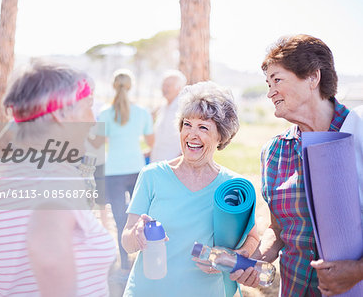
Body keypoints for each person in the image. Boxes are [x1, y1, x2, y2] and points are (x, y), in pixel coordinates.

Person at [233, 34, 363, 296]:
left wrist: (357, 271)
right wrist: (252, 259)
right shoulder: (274, 151)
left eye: (277, 80)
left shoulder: (357, 131)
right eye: (268, 83)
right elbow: (278, 229)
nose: (270, 93)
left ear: (313, 77)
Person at [0, 62, 116, 296]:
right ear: (60, 114)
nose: (94, 120)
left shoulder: (6, 172)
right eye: (88, 106)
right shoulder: (55, 177)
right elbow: (49, 257)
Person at [121, 81, 259, 296]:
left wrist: (231, 257)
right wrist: (136, 235)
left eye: (203, 127)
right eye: (187, 124)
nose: (191, 134)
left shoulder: (232, 187)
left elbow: (253, 237)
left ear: (221, 136)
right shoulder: (152, 176)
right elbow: (127, 242)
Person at [97, 69, 154, 273]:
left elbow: (98, 142)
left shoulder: (104, 113)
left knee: (121, 219)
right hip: (137, 170)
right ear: (130, 86)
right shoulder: (143, 112)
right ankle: (145, 258)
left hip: (113, 172)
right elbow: (150, 141)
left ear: (114, 86)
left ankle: (124, 263)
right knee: (142, 216)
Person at [150, 70, 187, 163]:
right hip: (156, 162)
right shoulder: (162, 107)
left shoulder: (184, 109)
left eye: (168, 86)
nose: (164, 88)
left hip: (173, 165)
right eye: (163, 85)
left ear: (179, 88)